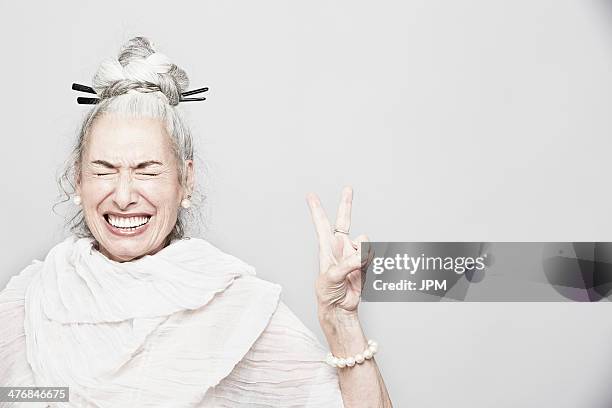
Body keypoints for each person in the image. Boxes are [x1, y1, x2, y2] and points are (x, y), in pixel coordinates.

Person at [0, 36, 392, 407]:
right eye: (103, 170)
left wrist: (341, 322)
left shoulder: (233, 307)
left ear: (185, 180)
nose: (123, 195)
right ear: (77, 178)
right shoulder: (32, 301)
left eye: (146, 170)